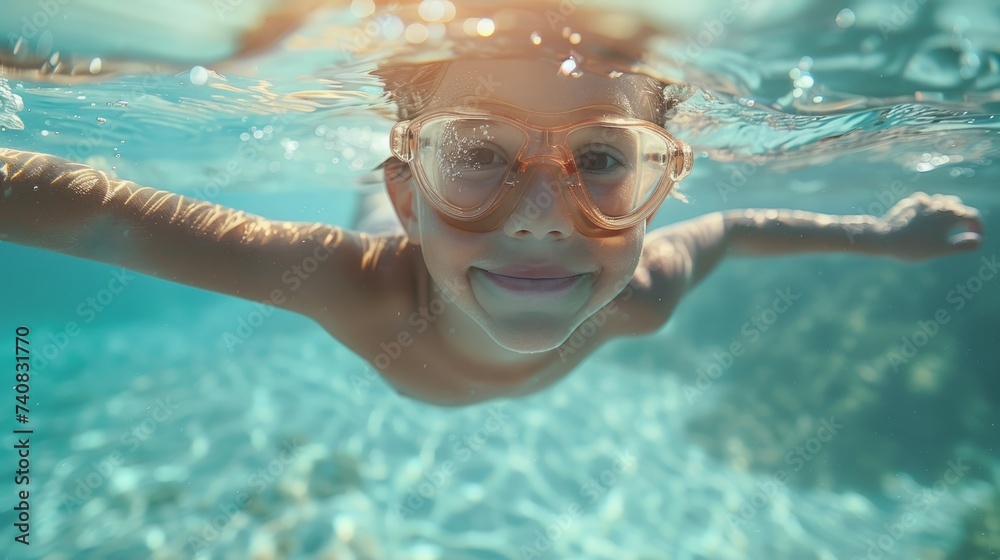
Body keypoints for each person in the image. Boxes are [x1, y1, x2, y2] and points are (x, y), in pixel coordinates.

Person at [0, 57, 984, 407]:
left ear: (655, 190)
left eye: (603, 159)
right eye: (478, 154)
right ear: (407, 199)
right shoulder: (357, 285)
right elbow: (101, 217)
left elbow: (731, 229)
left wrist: (879, 233)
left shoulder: (637, 299)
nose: (541, 214)